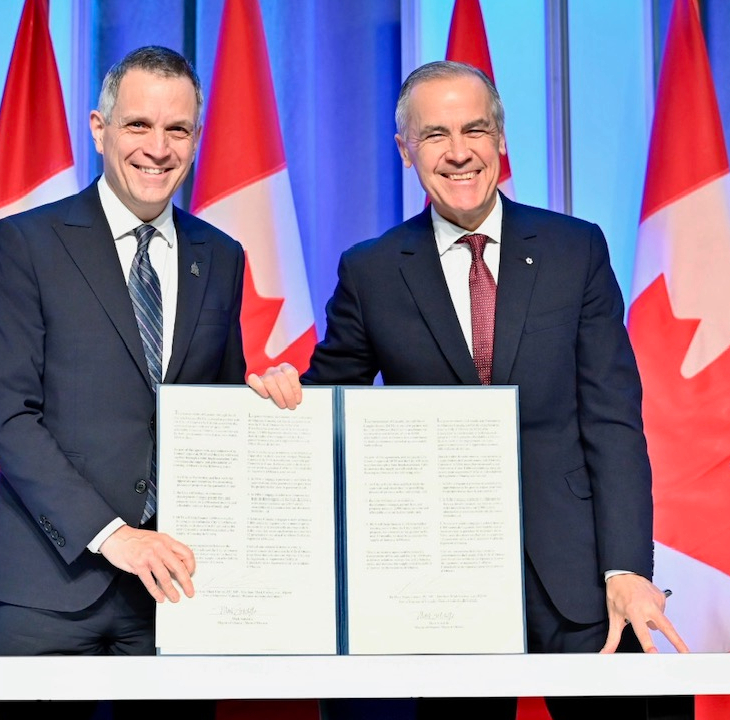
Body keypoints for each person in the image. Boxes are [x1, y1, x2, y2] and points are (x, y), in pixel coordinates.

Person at [250, 61, 688, 719]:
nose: (459, 152)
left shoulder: (576, 250)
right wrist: (285, 397)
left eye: (475, 129)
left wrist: (627, 569)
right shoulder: (371, 271)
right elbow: (328, 411)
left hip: (580, 580)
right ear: (406, 150)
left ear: (501, 139)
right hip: (441, 588)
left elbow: (612, 423)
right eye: (435, 135)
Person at [0, 45, 243, 716]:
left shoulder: (222, 257)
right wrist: (112, 533)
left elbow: (218, 414)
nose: (158, 147)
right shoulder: (27, 243)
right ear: (99, 128)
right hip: (49, 584)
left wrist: (264, 407)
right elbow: (8, 413)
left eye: (177, 129)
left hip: (174, 593)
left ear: (196, 137)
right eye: (138, 126)